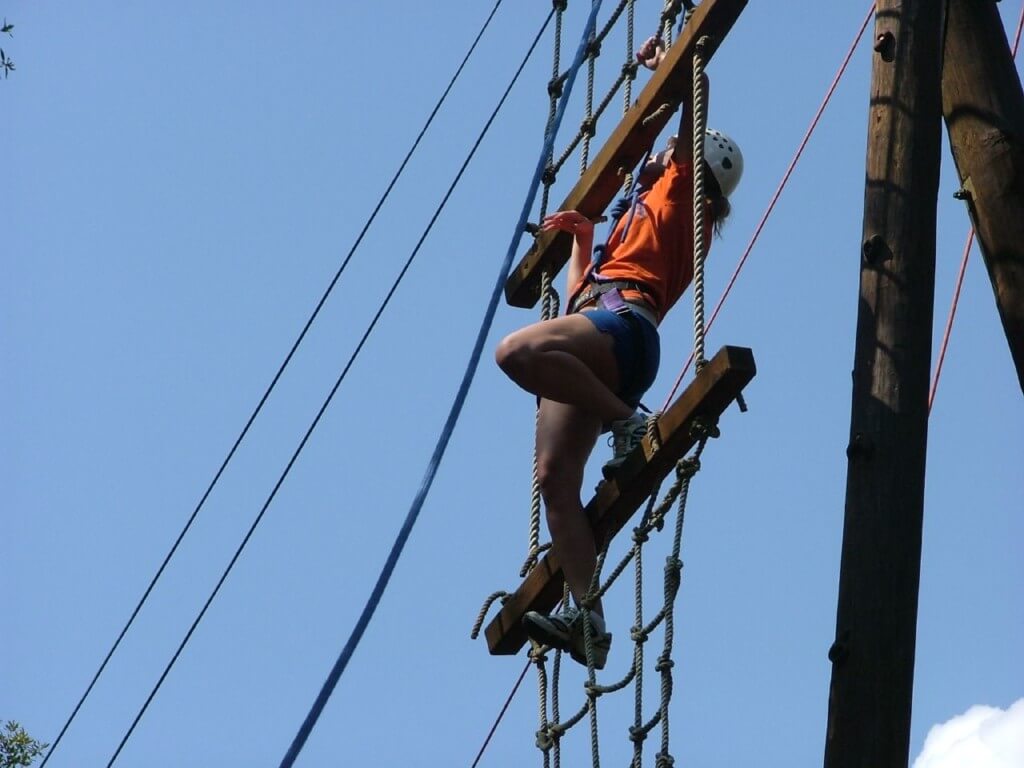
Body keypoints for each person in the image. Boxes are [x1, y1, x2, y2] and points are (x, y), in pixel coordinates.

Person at [494, 37, 743, 669]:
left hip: (626, 327)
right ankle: (590, 621)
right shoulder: (647, 215)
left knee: (514, 353)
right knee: (554, 482)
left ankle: (626, 422)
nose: (656, 159)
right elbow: (582, 295)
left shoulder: (684, 188)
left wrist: (674, 65)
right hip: (604, 328)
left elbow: (696, 90)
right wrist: (583, 240)